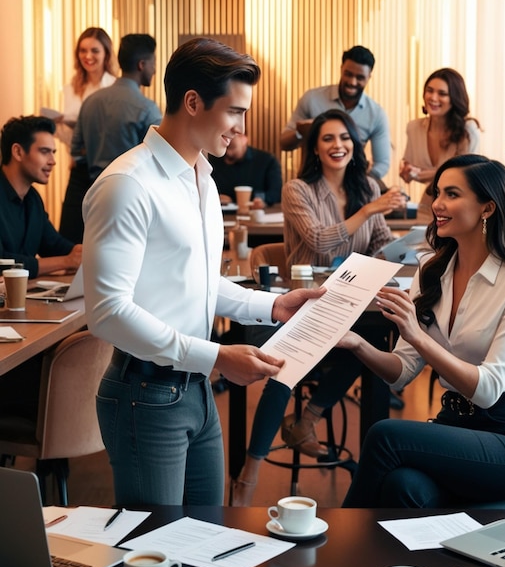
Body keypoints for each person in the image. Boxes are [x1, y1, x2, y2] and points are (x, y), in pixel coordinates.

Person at [82, 37, 324, 507]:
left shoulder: (203, 178)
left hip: (194, 389)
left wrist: (270, 305)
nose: (240, 127)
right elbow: (107, 313)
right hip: (144, 393)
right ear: (193, 102)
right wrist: (214, 357)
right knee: (156, 556)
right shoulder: (127, 185)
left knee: (204, 544)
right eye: (235, 111)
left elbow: (197, 280)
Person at [340, 154, 505, 508]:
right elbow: (402, 372)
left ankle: (336, 551)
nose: (437, 203)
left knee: (386, 434)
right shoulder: (430, 270)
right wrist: (356, 343)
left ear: (487, 208)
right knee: (402, 485)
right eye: (437, 193)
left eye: (452, 194)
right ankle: (388, 563)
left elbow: (487, 390)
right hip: (454, 426)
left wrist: (417, 336)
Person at [231, 109, 406, 506]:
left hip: (349, 306)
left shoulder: (368, 185)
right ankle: (249, 472)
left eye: (344, 137)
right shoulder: (298, 189)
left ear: (355, 143)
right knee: (287, 363)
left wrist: (397, 250)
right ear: (314, 147)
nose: (337, 145)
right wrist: (367, 211)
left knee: (369, 344)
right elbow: (318, 241)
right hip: (297, 305)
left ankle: (307, 420)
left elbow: (378, 242)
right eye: (327, 138)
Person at [280, 46, 391, 181]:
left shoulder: (376, 114)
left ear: (369, 77)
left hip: (353, 186)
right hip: (311, 181)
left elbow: (382, 164)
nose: (352, 82)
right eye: (348, 74)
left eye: (360, 77)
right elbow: (284, 143)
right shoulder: (312, 99)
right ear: (341, 69)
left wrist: (361, 182)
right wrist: (301, 132)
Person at [73, 34, 162, 183]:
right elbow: (160, 157)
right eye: (153, 63)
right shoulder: (147, 109)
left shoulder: (90, 102)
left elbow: (76, 150)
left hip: (93, 188)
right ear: (142, 65)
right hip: (132, 191)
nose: (154, 70)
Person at [0, 116, 81, 278]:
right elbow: (2, 262)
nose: (53, 161)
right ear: (18, 152)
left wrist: (82, 252)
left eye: (53, 152)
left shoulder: (33, 199)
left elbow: (54, 245)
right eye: (45, 152)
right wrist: (67, 261)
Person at [58, 27, 117, 243]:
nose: (88, 56)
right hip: (78, 166)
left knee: (101, 233)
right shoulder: (71, 88)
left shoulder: (112, 87)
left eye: (95, 50)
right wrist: (60, 126)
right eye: (83, 51)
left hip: (104, 169)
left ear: (106, 54)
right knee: (70, 231)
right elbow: (70, 138)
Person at [399, 68, 480, 213]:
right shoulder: (414, 127)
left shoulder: (468, 130)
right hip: (431, 201)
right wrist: (408, 172)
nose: (433, 98)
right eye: (429, 91)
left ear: (454, 99)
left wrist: (425, 173)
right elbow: (410, 169)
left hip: (461, 204)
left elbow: (464, 174)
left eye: (442, 93)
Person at [208, 134, 282, 206]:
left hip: (256, 214)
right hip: (222, 214)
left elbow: (276, 194)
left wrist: (252, 198)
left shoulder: (267, 161)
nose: (227, 153)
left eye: (232, 147)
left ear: (244, 139)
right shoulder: (213, 159)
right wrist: (216, 197)